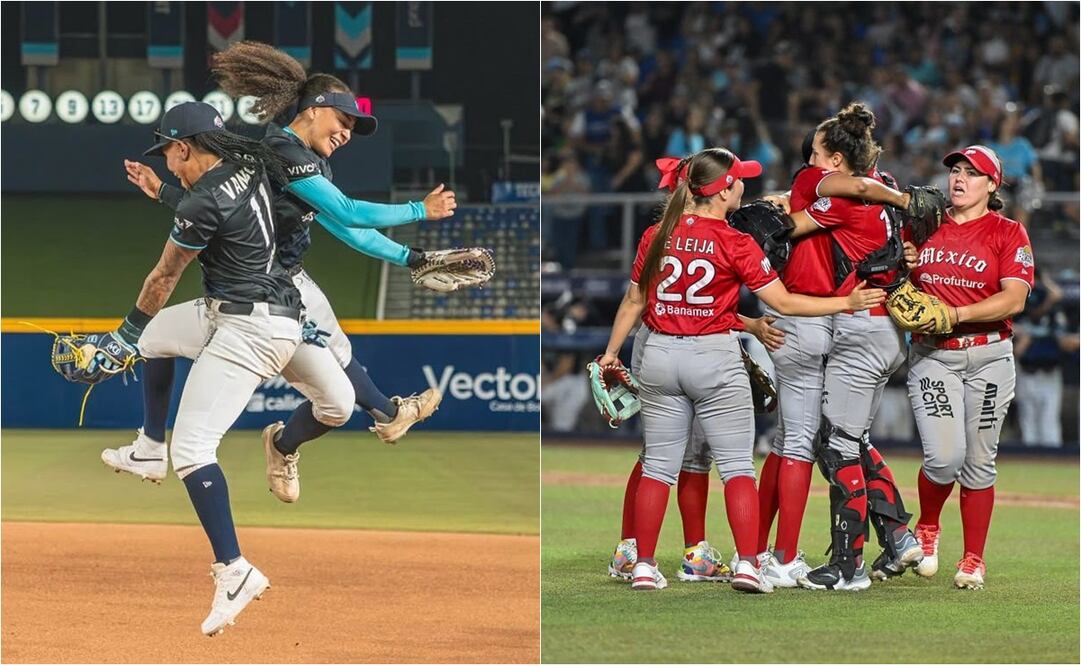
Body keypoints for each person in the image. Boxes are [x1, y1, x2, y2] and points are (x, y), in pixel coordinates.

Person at [102, 41, 451, 501]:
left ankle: (363, 421)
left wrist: (411, 258)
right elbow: (345, 211)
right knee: (334, 374)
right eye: (342, 121)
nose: (347, 132)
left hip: (284, 281)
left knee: (339, 379)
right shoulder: (285, 150)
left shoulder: (306, 161)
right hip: (264, 286)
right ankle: (385, 415)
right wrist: (418, 210)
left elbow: (348, 229)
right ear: (313, 109)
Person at [597, 147, 885, 593]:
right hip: (712, 356)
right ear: (724, 189)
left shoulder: (657, 232)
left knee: (657, 466)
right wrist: (844, 302)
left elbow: (635, 300)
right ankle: (749, 565)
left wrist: (611, 352)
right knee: (736, 469)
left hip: (659, 353)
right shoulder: (735, 240)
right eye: (739, 179)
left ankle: (643, 566)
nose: (744, 184)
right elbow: (785, 303)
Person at [95, 101, 303, 634]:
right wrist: (161, 191)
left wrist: (121, 338)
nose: (167, 162)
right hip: (249, 310)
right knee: (159, 336)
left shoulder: (203, 198)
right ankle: (147, 447)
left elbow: (163, 275)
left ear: (185, 147)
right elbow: (207, 202)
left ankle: (234, 570)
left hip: (249, 328)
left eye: (167, 152)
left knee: (194, 449)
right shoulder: (245, 164)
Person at [756, 126, 921, 588]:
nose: (810, 162)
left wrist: (756, 213)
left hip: (860, 326)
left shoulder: (843, 197)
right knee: (856, 439)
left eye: (815, 154)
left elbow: (791, 223)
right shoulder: (884, 185)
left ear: (835, 161)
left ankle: (849, 566)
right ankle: (900, 535)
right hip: (888, 327)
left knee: (835, 445)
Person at [907, 146, 1033, 589]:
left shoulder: (1008, 231)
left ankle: (973, 559)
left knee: (980, 463)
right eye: (955, 171)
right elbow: (890, 277)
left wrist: (955, 314)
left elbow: (1014, 297)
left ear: (992, 184)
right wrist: (900, 269)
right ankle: (927, 525)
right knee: (944, 458)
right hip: (933, 355)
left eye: (971, 173)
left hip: (990, 357)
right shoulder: (924, 226)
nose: (959, 179)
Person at [1013, 267, 1069, 447]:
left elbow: (1057, 294)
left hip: (1049, 373)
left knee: (1049, 422)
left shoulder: (1053, 311)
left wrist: (1044, 279)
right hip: (1027, 371)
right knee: (1028, 421)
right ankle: (1029, 464)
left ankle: (1053, 465)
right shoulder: (1021, 305)